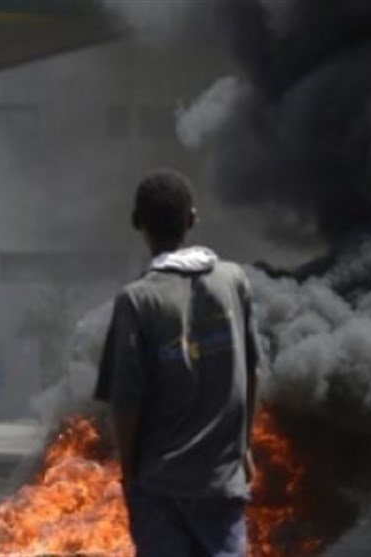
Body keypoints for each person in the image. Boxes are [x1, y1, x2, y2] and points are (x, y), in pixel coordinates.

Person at [94, 169, 261, 557]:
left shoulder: (136, 300)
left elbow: (127, 402)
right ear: (192, 218)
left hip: (159, 489)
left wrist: (130, 474)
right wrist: (244, 448)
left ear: (137, 223)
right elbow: (252, 372)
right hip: (223, 484)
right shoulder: (234, 281)